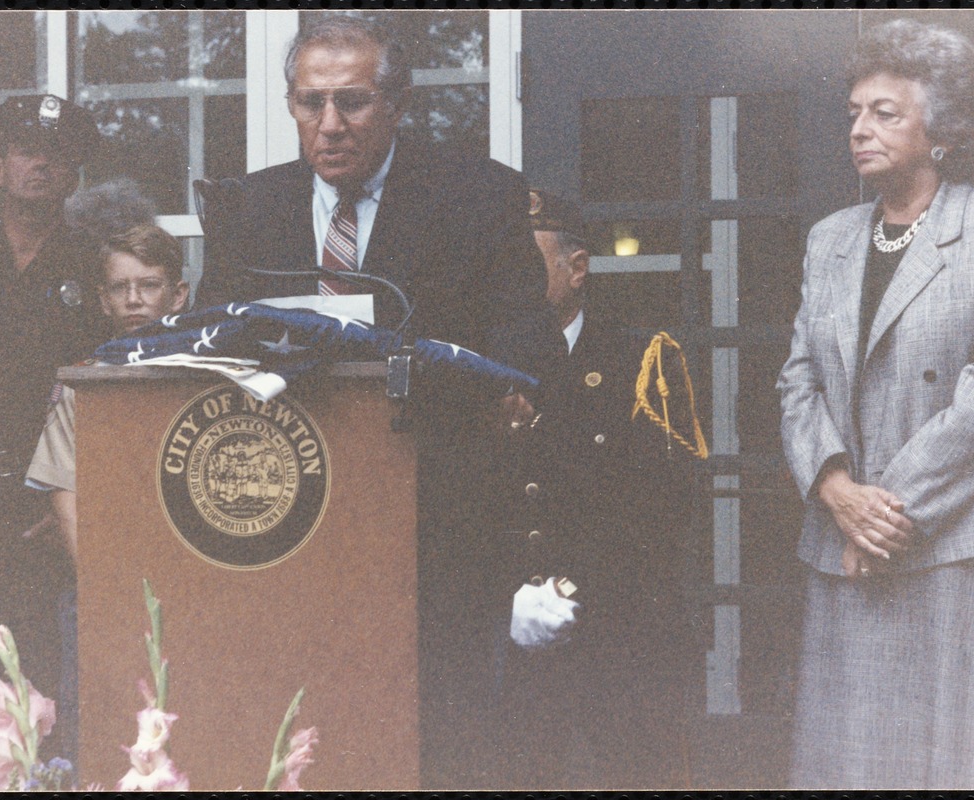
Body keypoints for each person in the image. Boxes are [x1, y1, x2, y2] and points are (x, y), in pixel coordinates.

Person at [192, 15, 563, 788]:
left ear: (398, 105)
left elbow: (526, 347)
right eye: (309, 103)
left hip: (433, 530)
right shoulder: (249, 208)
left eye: (353, 103)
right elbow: (207, 346)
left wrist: (504, 391)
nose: (328, 125)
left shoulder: (478, 194)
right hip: (285, 526)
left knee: (435, 746)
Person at [776, 19, 974, 791]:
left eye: (886, 113)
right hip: (840, 548)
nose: (861, 129)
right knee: (849, 766)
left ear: (943, 130)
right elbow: (797, 380)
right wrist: (835, 491)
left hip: (944, 548)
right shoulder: (829, 238)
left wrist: (886, 515)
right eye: (855, 112)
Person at [492, 190, 702, 790]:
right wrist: (505, 598)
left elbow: (665, 511)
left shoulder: (643, 360)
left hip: (623, 638)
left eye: (525, 263)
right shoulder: (482, 363)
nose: (511, 282)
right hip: (517, 639)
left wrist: (568, 588)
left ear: (577, 268)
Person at [0, 94, 105, 761]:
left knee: (50, 676)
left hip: (49, 506)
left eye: (57, 154)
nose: (41, 165)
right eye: (27, 150)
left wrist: (61, 502)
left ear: (75, 172)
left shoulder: (94, 266)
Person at [26, 223, 191, 559]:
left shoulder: (205, 375)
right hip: (107, 561)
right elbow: (65, 500)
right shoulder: (83, 385)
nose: (133, 300)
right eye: (119, 288)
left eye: (149, 286)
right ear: (103, 300)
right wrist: (101, 589)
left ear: (178, 295)